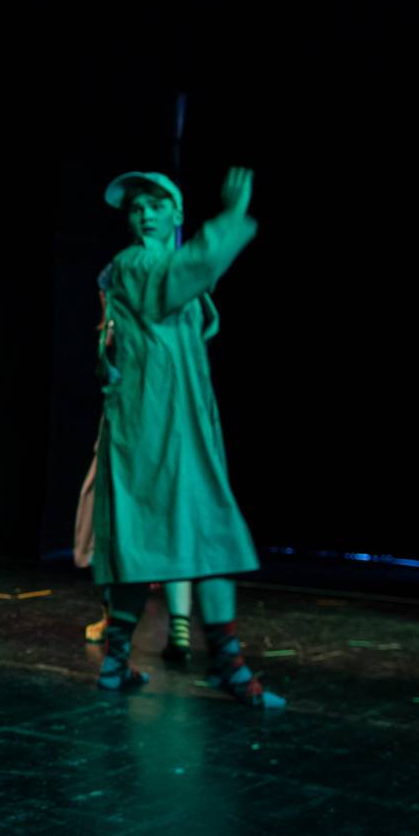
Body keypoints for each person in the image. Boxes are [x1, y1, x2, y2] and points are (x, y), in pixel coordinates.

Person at [89, 168, 283, 709]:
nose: (144, 214)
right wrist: (230, 217)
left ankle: (117, 663)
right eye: (136, 208)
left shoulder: (157, 272)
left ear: (176, 213)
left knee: (165, 538)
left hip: (175, 418)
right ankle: (227, 665)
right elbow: (188, 269)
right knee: (199, 533)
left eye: (156, 205)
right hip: (152, 424)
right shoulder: (135, 264)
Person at [75, 267, 193, 661]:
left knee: (152, 522)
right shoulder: (119, 327)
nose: (105, 303)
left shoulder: (152, 326)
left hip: (148, 431)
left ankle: (170, 627)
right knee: (110, 521)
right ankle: (125, 618)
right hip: (124, 430)